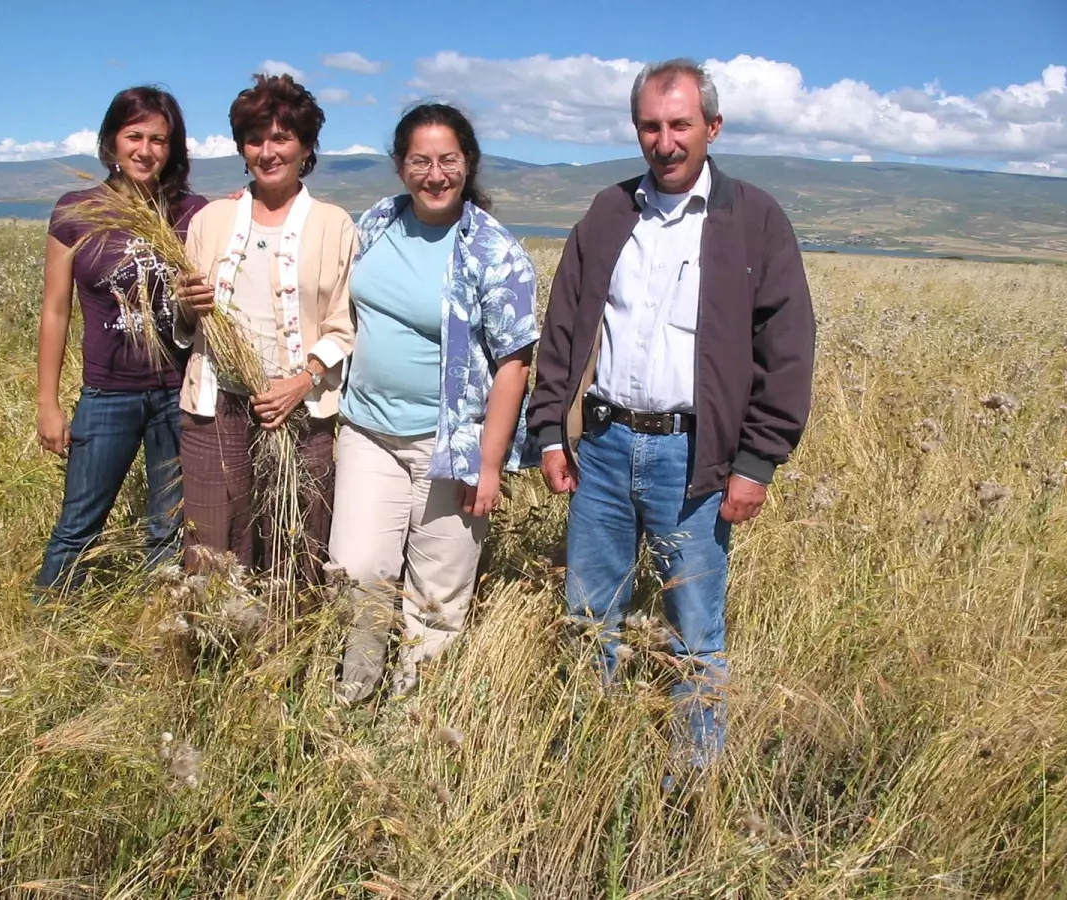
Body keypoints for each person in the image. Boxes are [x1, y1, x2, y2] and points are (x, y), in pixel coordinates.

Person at [527, 59, 816, 782]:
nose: (665, 140)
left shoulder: (754, 220)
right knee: (591, 617)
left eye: (680, 124)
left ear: (711, 128)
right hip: (601, 446)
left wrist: (756, 462)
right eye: (651, 126)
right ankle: (587, 760)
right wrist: (549, 430)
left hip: (695, 460)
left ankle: (692, 780)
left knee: (694, 631)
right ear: (637, 130)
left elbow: (787, 348)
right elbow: (563, 327)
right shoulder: (607, 212)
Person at [330, 103, 539, 701]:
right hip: (368, 431)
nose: (435, 174)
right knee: (358, 568)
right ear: (400, 166)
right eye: (420, 161)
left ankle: (415, 716)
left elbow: (513, 365)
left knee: (438, 593)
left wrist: (490, 464)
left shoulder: (493, 252)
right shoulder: (373, 224)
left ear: (467, 164)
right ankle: (357, 693)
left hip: (451, 445)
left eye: (448, 160)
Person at [173, 74, 355, 586]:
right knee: (211, 546)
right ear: (241, 147)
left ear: (306, 146)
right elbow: (183, 322)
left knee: (294, 543)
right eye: (255, 139)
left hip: (298, 411)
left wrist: (302, 382)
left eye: (282, 138)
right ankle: (213, 650)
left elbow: (345, 324)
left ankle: (285, 653)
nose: (268, 151)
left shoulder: (334, 224)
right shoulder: (212, 218)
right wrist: (186, 306)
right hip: (215, 409)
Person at [35, 86, 207, 595]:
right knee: (77, 527)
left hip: (178, 395)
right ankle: (49, 631)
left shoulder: (192, 212)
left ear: (173, 149)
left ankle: (160, 633)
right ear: (111, 141)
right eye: (134, 135)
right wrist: (47, 402)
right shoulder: (76, 210)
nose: (146, 149)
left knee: (169, 529)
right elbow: (55, 309)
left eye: (159, 139)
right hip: (107, 394)